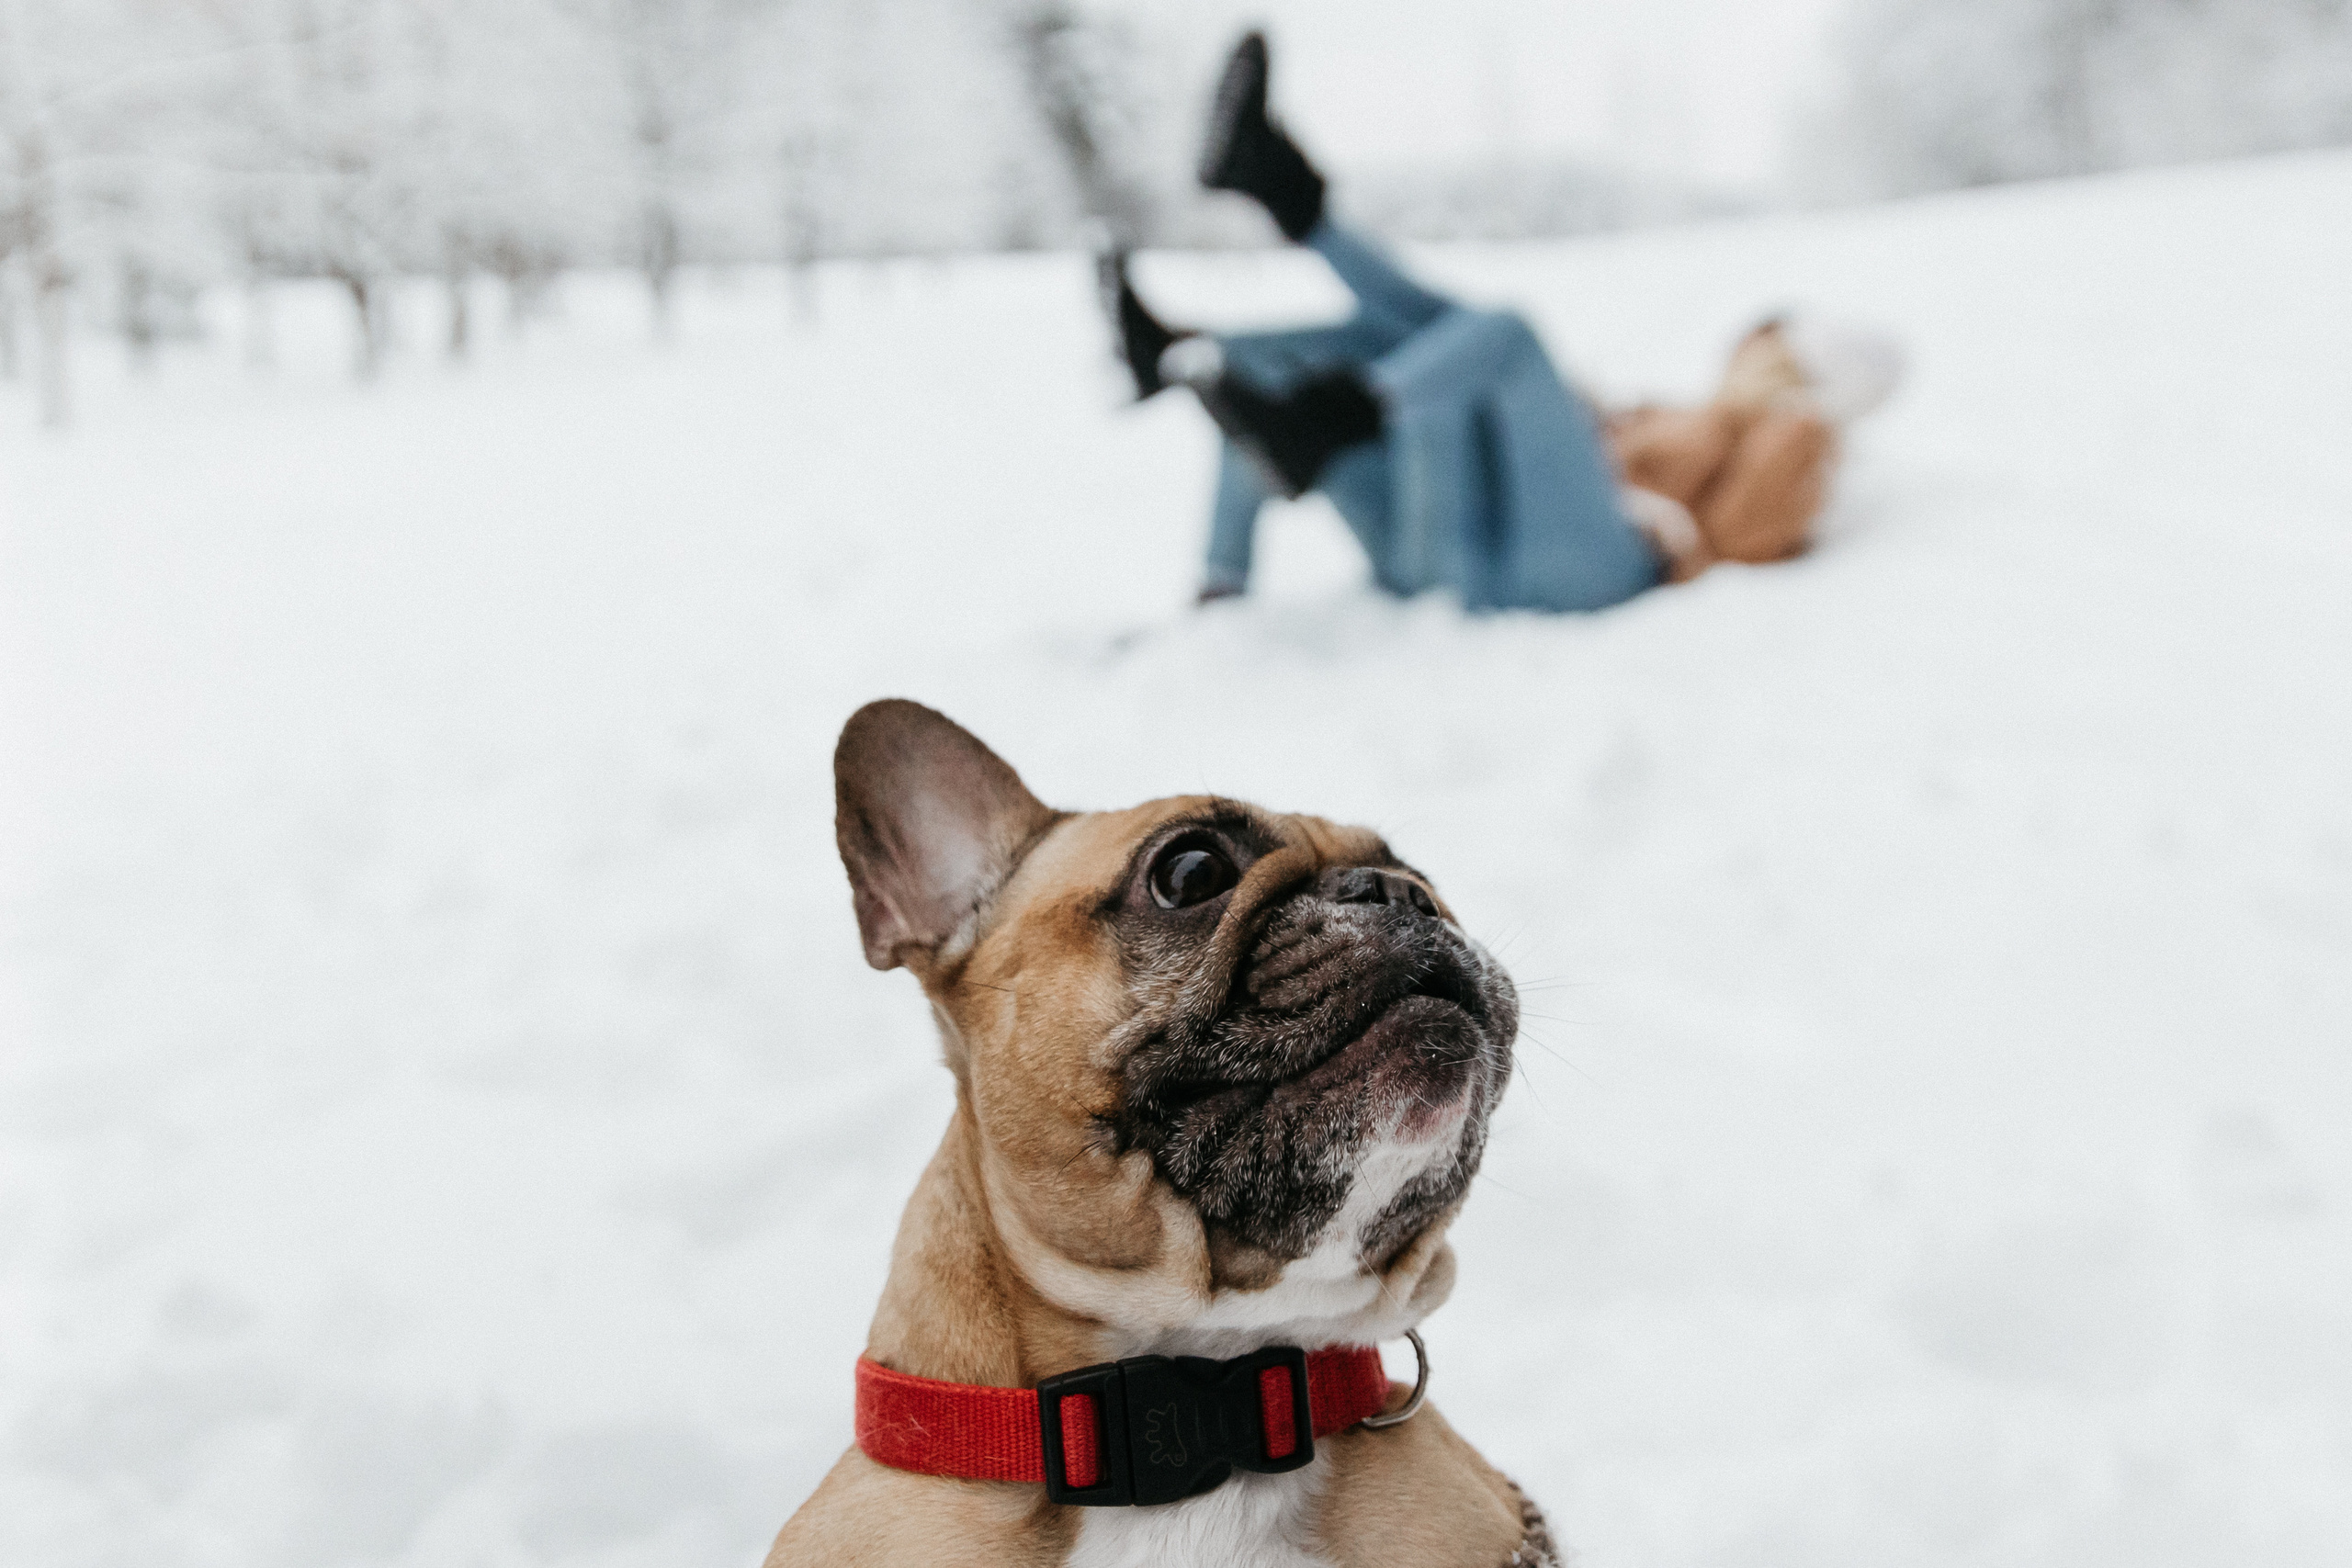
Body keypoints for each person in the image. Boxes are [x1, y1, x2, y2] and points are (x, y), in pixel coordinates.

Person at [1103, 31, 1900, 610]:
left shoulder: (1801, 434)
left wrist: (1728, 471)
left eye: (1768, 348)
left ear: (1806, 367)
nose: (1743, 359)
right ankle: (1196, 387)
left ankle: (1294, 224)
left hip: (1599, 571)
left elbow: (1750, 533)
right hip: (1454, 549)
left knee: (1505, 338)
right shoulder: (1693, 412)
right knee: (1433, 345)